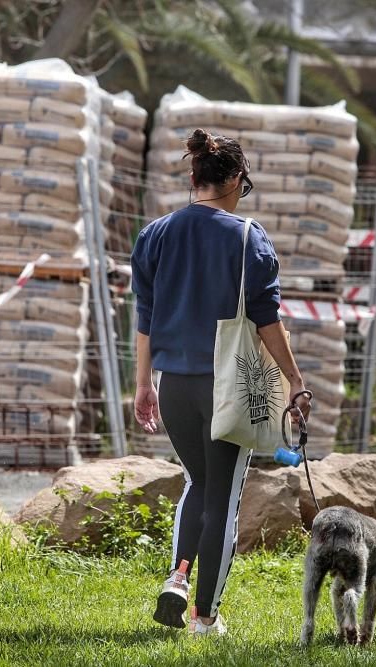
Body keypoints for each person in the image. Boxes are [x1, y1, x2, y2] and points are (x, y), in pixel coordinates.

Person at [131, 128, 311, 636]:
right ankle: (204, 618)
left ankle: (178, 577)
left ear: (193, 178)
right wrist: (294, 380)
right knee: (224, 498)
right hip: (226, 385)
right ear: (235, 179)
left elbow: (146, 316)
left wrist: (143, 383)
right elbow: (265, 319)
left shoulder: (155, 234)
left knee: (197, 482)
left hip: (173, 386)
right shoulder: (247, 237)